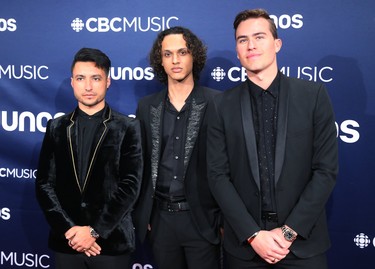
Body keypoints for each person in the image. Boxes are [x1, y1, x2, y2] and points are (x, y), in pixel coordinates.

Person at [206, 9, 338, 269]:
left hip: (302, 246)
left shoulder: (313, 96)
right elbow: (217, 175)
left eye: (259, 37)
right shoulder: (221, 105)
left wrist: (288, 233)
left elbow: (326, 171)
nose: (251, 45)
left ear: (277, 44)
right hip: (245, 248)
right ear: (237, 50)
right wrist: (253, 235)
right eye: (242, 40)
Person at [35, 47, 143, 269]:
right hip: (68, 242)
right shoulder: (56, 127)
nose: (88, 86)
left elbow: (130, 186)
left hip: (110, 244)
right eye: (81, 78)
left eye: (96, 78)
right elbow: (44, 184)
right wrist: (70, 231)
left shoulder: (128, 127)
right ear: (72, 82)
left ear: (107, 82)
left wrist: (94, 232)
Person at [133, 26, 221, 269]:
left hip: (202, 220)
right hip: (160, 220)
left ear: (194, 56)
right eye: (167, 54)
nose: (175, 60)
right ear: (160, 61)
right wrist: (145, 215)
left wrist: (221, 220)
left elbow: (227, 165)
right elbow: (138, 165)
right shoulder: (146, 106)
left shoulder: (217, 103)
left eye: (182, 52)